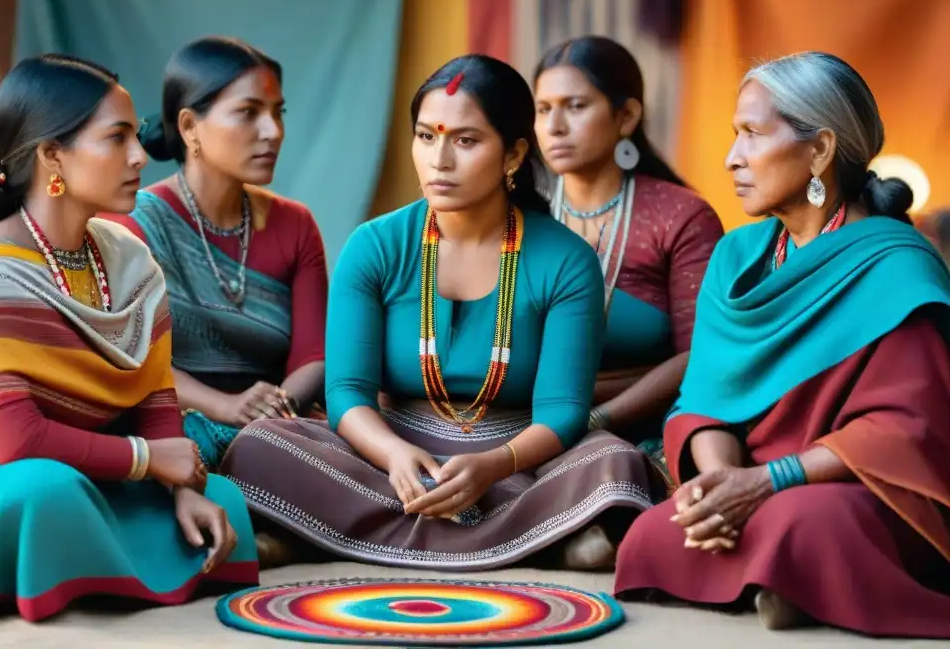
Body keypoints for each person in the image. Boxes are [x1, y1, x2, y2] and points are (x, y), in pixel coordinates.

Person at [220, 55, 656, 572]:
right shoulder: (375, 245)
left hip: (517, 458)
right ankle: (549, 541)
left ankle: (317, 533)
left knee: (614, 463)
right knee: (261, 446)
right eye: (426, 137)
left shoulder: (565, 260)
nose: (439, 160)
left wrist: (494, 465)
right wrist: (392, 454)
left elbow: (562, 410)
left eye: (465, 141)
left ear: (514, 153)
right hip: (391, 451)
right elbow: (346, 395)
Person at [613, 52, 950, 637]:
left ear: (819, 150)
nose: (731, 158)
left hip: (850, 485)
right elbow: (706, 397)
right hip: (749, 476)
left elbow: (906, 430)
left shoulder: (897, 266)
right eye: (733, 136)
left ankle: (790, 576)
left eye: (751, 134)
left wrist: (768, 482)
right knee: (652, 534)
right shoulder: (738, 259)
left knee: (805, 526)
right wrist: (719, 485)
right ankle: (786, 580)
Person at [0, 55, 258, 622]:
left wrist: (182, 485)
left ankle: (93, 560)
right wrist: (152, 460)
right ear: (52, 155)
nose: (139, 155)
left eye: (135, 135)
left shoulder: (129, 259)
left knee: (219, 497)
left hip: (86, 469)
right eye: (117, 138)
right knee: (43, 493)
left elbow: (154, 401)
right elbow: (18, 443)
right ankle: (97, 562)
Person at [114, 37, 327, 470]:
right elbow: (129, 356)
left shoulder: (295, 225)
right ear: (190, 126)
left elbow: (315, 356)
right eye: (249, 113)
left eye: (277, 112)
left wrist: (272, 411)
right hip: (173, 425)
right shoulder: (137, 225)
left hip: (279, 425)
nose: (273, 131)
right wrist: (224, 406)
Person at [533, 37, 723, 481]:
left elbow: (704, 353)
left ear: (627, 116)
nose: (555, 126)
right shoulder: (524, 218)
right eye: (543, 109)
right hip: (530, 424)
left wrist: (596, 419)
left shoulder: (681, 215)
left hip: (647, 428)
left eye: (575, 106)